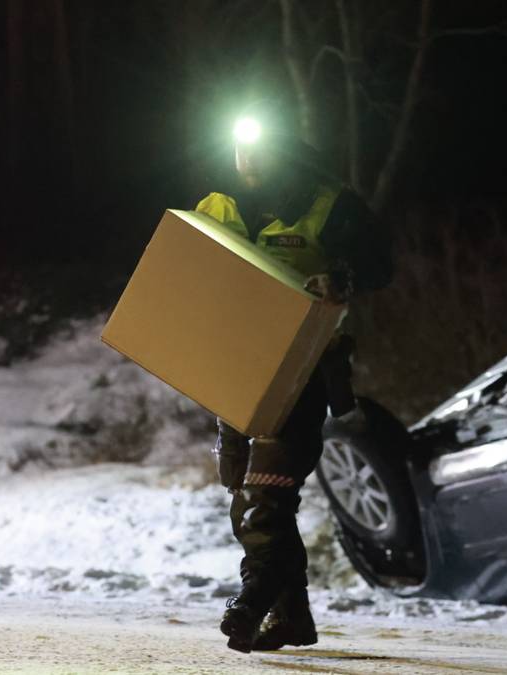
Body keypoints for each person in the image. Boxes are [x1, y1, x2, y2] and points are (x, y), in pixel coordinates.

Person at [194, 112, 392, 653]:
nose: (246, 157)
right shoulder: (216, 207)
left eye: (257, 146)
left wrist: (342, 279)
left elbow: (382, 262)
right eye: (238, 145)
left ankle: (252, 603)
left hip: (303, 371)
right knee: (246, 498)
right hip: (235, 370)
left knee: (267, 499)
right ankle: (292, 617)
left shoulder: (330, 206)